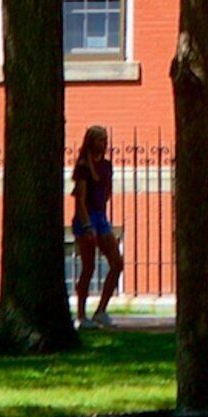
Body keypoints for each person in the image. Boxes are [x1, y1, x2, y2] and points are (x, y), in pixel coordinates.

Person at [68, 123, 123, 329]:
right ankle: (81, 315)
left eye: (105, 139)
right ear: (91, 142)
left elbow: (107, 190)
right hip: (87, 218)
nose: (104, 143)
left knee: (116, 263)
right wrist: (87, 224)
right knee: (89, 266)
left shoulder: (107, 166)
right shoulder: (83, 167)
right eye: (101, 139)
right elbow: (80, 199)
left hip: (101, 217)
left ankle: (101, 310)